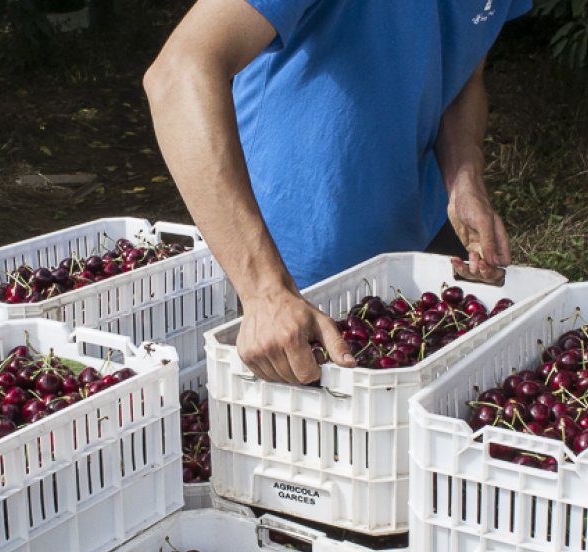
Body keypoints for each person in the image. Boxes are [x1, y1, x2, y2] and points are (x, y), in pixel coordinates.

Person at [143, 0, 528, 385]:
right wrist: (264, 291)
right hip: (288, 271)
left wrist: (464, 177)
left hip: (414, 246)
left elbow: (464, 72)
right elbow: (178, 73)